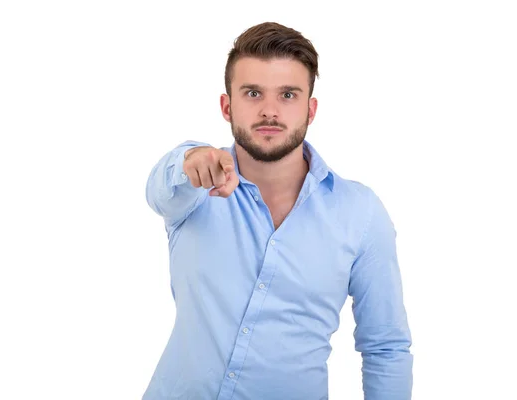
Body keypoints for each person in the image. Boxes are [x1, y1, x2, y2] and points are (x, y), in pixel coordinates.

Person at [143, 21, 413, 400]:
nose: (269, 111)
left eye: (288, 95)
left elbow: (386, 347)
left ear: (311, 109)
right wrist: (189, 161)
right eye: (253, 93)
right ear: (227, 105)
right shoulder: (194, 186)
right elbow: (160, 190)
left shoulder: (360, 213)